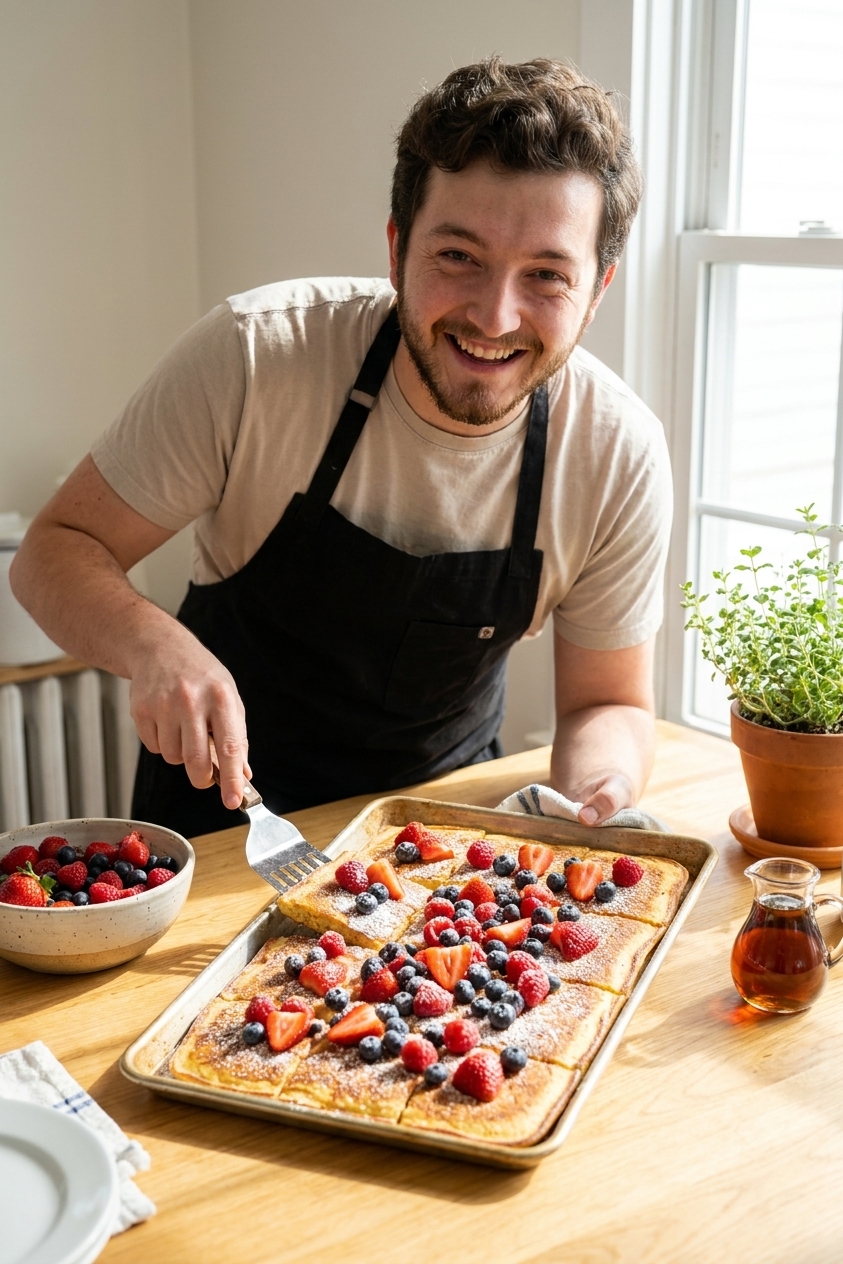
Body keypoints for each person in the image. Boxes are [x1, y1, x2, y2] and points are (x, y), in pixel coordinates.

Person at [11, 57, 672, 839]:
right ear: (396, 248)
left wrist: (598, 790)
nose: (494, 317)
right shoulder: (256, 355)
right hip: (225, 826)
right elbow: (51, 552)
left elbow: (608, 700)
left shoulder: (615, 451)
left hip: (438, 847)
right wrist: (156, 643)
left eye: (546, 276)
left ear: (595, 291)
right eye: (457, 257)